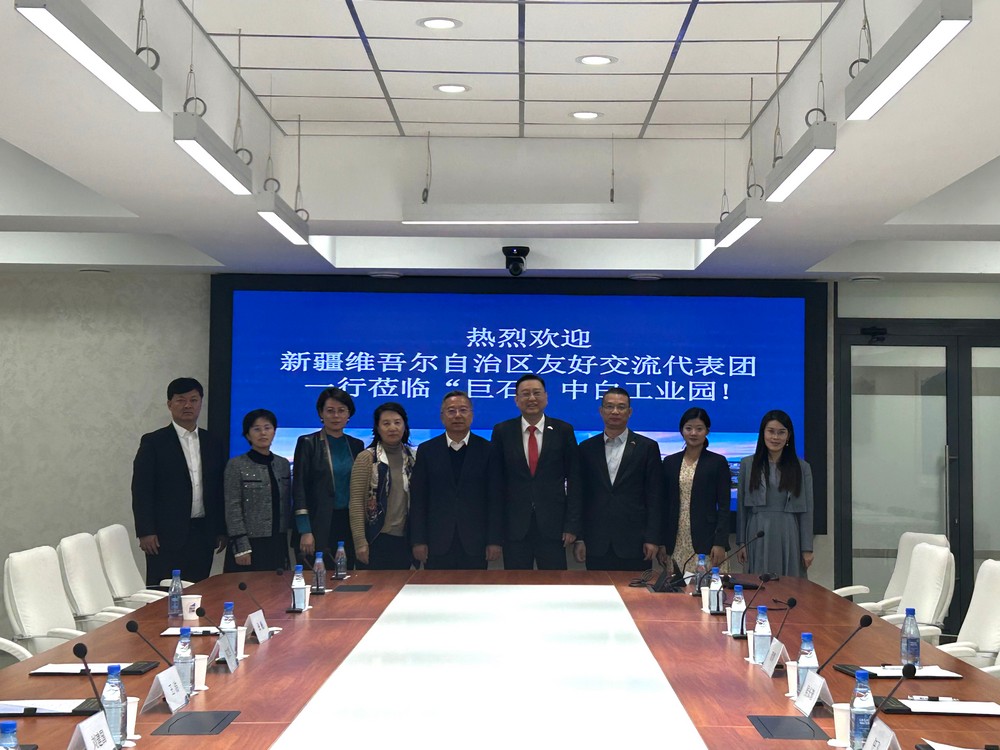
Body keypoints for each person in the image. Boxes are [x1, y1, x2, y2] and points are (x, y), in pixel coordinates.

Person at [131, 377, 226, 585]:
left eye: (193, 400)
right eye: (181, 400)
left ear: (201, 403)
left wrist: (220, 529)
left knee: (198, 591)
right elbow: (141, 490)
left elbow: (218, 489)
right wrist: (145, 531)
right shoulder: (154, 442)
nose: (187, 405)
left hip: (203, 533)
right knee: (163, 593)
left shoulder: (213, 442)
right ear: (169, 404)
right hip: (164, 535)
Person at [488, 374, 582, 570]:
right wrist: (495, 534)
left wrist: (572, 526)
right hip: (514, 527)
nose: (531, 398)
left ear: (546, 397)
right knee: (515, 583)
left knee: (555, 583)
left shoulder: (563, 430)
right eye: (525, 394)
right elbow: (495, 484)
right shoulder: (502, 431)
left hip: (553, 527)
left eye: (537, 393)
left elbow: (575, 480)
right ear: (516, 399)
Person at [410, 391, 502, 569]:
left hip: (476, 542)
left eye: (463, 410)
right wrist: (418, 540)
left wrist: (494, 540)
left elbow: (495, 499)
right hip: (437, 541)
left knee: (476, 586)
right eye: (451, 411)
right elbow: (419, 499)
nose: (458, 415)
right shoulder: (427, 450)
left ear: (472, 415)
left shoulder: (488, 450)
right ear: (442, 416)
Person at [575, 388, 662, 571]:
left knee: (635, 590)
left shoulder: (647, 447)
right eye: (609, 407)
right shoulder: (586, 448)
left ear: (629, 412)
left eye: (621, 407)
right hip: (596, 542)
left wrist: (652, 538)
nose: (615, 412)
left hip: (636, 543)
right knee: (598, 589)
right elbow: (580, 495)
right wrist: (580, 538)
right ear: (601, 411)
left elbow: (655, 497)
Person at [292, 387, 365, 569]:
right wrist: (305, 530)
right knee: (316, 578)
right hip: (317, 522)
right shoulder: (308, 443)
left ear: (349, 414)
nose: (336, 416)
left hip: (348, 523)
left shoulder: (356, 445)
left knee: (346, 577)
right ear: (321, 413)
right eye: (330, 411)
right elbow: (299, 488)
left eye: (341, 411)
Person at [737, 409, 814, 578]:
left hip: (789, 531)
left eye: (781, 432)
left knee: (790, 583)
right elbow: (742, 508)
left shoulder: (802, 467)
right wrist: (741, 542)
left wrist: (807, 548)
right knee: (758, 582)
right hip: (757, 530)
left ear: (788, 436)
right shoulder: (747, 464)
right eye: (771, 431)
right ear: (763, 433)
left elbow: (807, 511)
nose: (775, 437)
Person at [660, 407, 732, 574]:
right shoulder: (670, 462)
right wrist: (661, 541)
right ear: (681, 430)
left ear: (707, 431)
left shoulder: (717, 462)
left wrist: (720, 542)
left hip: (708, 539)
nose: (693, 433)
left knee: (708, 586)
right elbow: (663, 504)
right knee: (677, 585)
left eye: (699, 429)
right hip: (676, 538)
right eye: (689, 428)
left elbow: (724, 506)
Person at [349, 402, 416, 570]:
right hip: (375, 539)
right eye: (386, 423)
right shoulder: (366, 458)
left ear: (405, 426)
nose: (392, 428)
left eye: (397, 422)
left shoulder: (414, 458)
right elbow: (356, 503)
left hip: (405, 539)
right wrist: (360, 542)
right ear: (378, 429)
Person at [223, 409, 291, 572]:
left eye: (267, 428)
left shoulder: (282, 464)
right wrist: (241, 545)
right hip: (250, 542)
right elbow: (232, 507)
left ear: (274, 432)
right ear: (248, 435)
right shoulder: (236, 465)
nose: (263, 433)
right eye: (256, 429)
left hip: (278, 540)